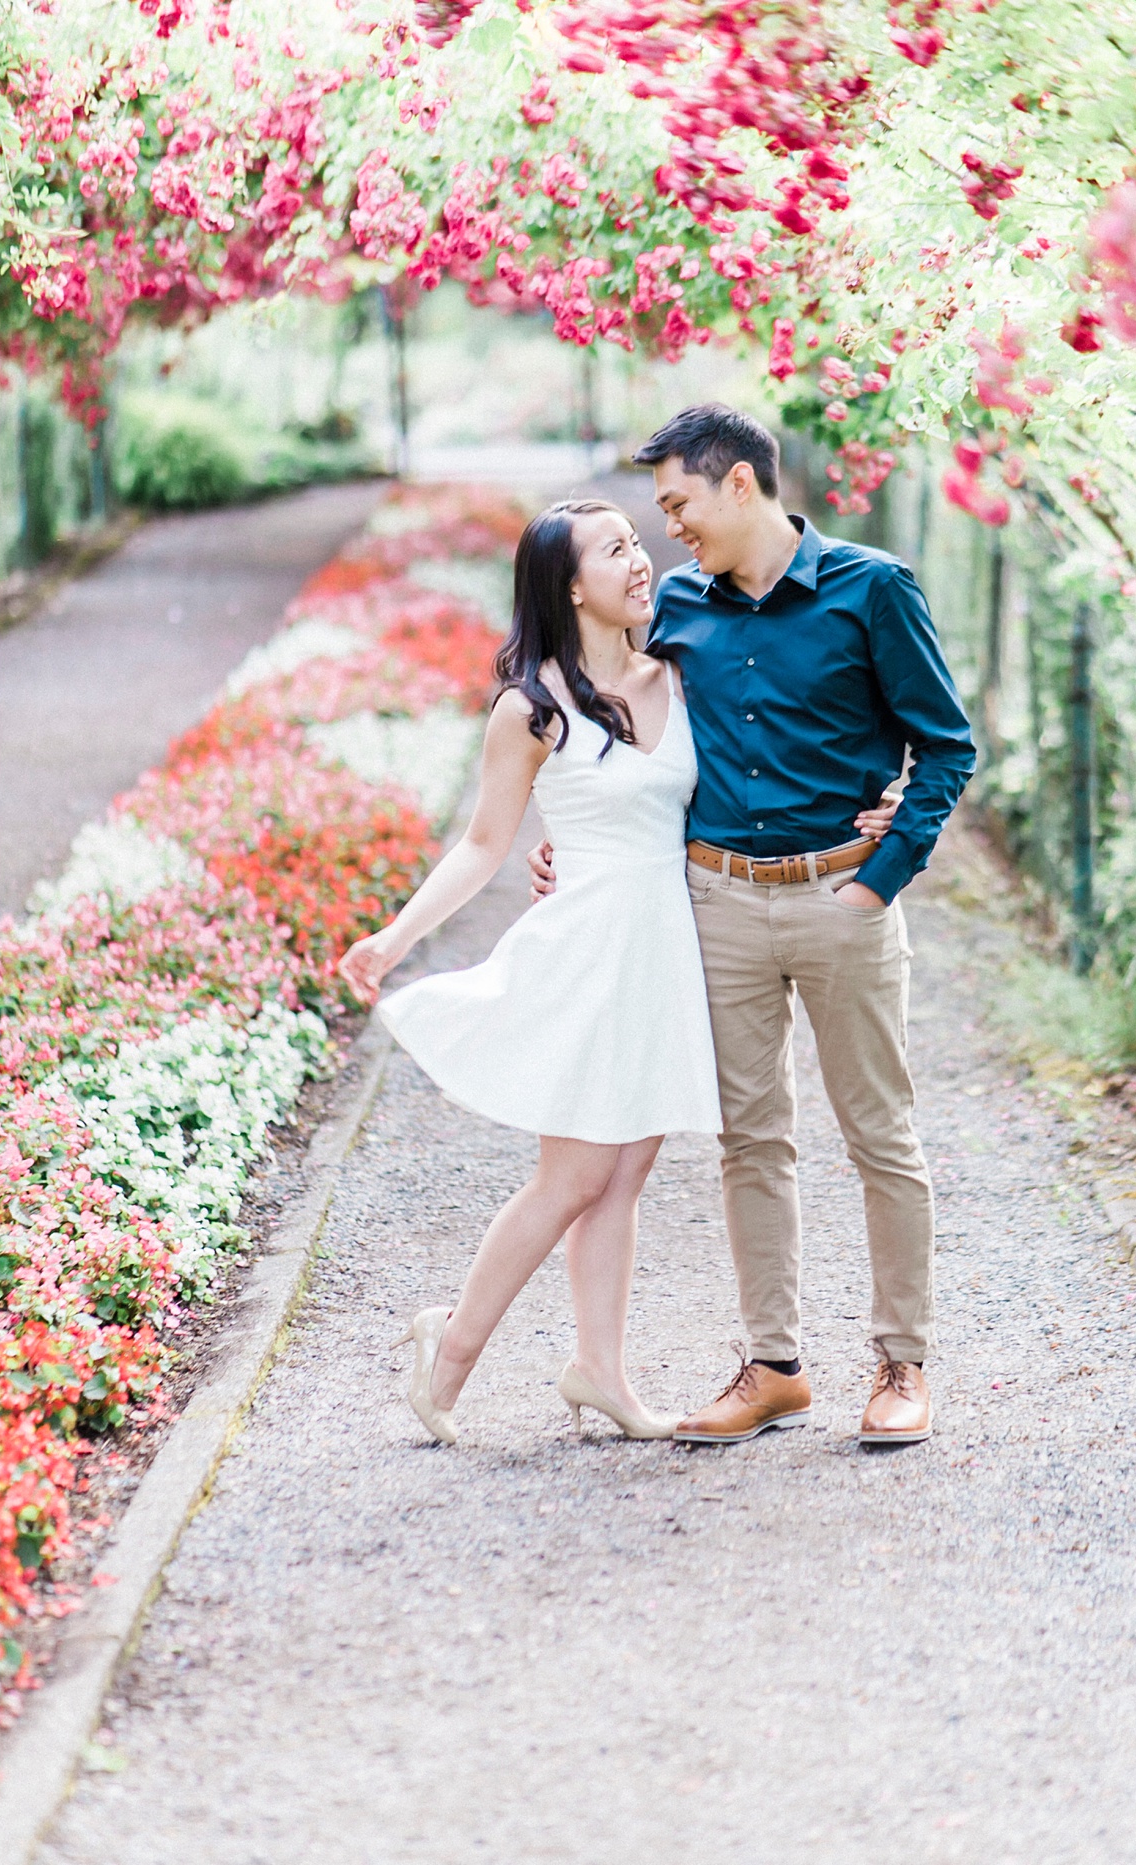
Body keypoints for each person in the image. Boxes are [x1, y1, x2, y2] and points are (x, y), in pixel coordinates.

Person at [529, 405, 976, 1447]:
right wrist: (578, 842)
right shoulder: (677, 608)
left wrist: (883, 872)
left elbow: (945, 747)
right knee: (748, 1140)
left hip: (840, 899)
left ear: (740, 485)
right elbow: (626, 725)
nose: (669, 529)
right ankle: (773, 1366)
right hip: (716, 902)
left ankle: (901, 1361)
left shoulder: (873, 589)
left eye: (678, 502)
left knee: (880, 1134)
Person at [341, 499, 809, 1443]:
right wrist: (391, 939)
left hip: (662, 948)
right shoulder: (532, 706)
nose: (641, 562)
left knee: (627, 1169)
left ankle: (599, 1368)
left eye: (638, 544)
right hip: (588, 951)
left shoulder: (676, 670)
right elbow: (481, 845)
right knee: (575, 1173)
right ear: (567, 584)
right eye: (615, 552)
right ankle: (453, 1346)